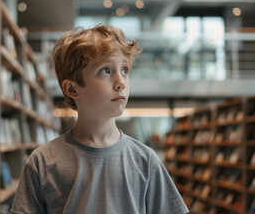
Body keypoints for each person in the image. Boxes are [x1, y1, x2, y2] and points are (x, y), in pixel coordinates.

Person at [10, 25, 189, 214]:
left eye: (125, 70)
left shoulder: (145, 161)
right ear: (72, 89)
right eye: (106, 71)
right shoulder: (43, 162)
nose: (121, 82)